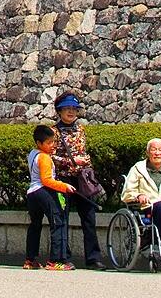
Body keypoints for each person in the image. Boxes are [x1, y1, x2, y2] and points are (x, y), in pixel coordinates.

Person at [51, 93, 105, 269]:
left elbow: (83, 151)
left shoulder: (80, 129)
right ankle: (63, 257)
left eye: (74, 109)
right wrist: (68, 161)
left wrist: (85, 162)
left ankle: (93, 258)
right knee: (63, 218)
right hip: (63, 180)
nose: (71, 112)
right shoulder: (53, 131)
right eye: (67, 109)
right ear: (59, 111)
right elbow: (51, 156)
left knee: (89, 218)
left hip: (82, 179)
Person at [24, 124, 76, 271]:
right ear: (39, 143)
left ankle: (30, 259)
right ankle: (55, 260)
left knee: (35, 225)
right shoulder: (45, 158)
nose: (52, 145)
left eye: (53, 141)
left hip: (32, 193)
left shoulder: (32, 153)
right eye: (49, 143)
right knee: (58, 222)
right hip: (43, 192)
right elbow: (47, 180)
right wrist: (64, 186)